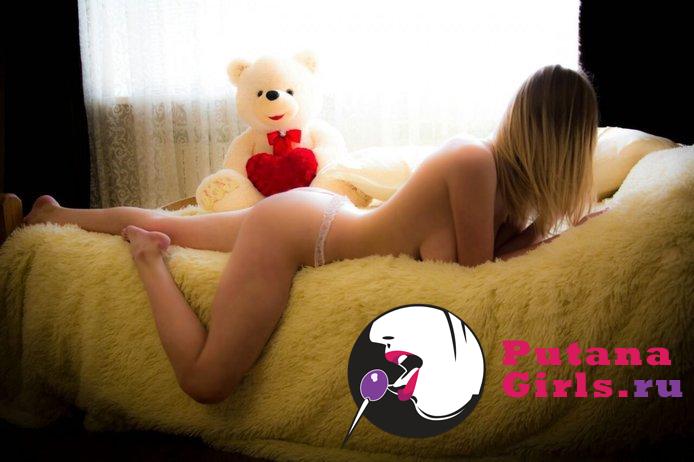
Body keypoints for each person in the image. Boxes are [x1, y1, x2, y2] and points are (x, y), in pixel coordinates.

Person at [22, 64, 607, 405]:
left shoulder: (508, 191)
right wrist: (553, 240)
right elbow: (479, 273)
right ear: (566, 140)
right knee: (206, 382)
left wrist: (549, 230)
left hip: (315, 217)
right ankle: (147, 258)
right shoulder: (474, 161)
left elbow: (480, 258)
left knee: (172, 221)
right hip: (303, 232)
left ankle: (53, 213)